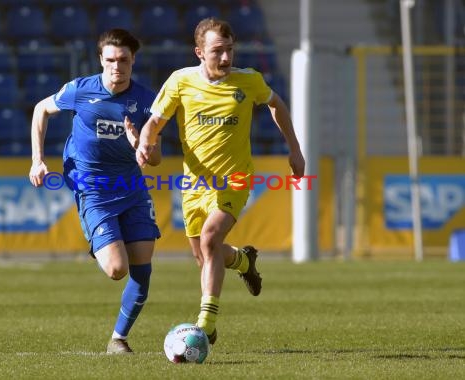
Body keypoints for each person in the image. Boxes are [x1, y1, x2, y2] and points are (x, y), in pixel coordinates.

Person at [136, 18, 305, 345]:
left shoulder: (248, 81)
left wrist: (295, 149)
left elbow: (276, 104)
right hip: (194, 184)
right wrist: (145, 143)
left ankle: (205, 324)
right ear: (199, 52)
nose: (226, 58)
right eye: (217, 52)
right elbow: (155, 121)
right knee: (204, 255)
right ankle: (243, 260)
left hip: (235, 179)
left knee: (211, 239)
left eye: (229, 50)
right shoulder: (180, 82)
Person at [29, 28, 162, 354]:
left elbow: (156, 159)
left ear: (133, 61)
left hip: (131, 186)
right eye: (111, 60)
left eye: (124, 61)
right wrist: (37, 160)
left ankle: (118, 339)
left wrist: (140, 146)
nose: (118, 67)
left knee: (142, 268)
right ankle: (102, 237)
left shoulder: (147, 102)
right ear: (101, 60)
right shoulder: (80, 90)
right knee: (118, 269)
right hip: (91, 185)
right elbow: (40, 110)